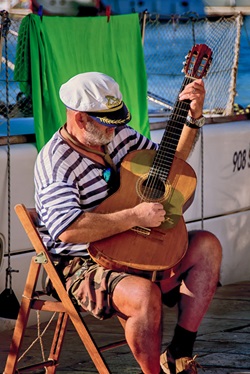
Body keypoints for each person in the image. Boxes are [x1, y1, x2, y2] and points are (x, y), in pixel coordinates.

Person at [34, 71, 222, 374]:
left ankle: (179, 352)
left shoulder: (116, 134)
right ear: (81, 119)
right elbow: (68, 229)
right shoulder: (56, 163)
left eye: (118, 120)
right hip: (83, 263)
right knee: (144, 296)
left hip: (137, 246)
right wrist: (134, 216)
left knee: (207, 247)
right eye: (108, 123)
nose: (117, 129)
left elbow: (169, 165)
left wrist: (193, 118)